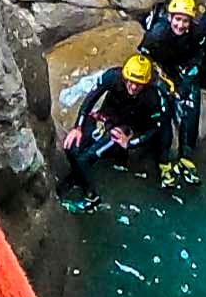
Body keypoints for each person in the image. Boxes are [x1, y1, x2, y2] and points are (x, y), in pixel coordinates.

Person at [58, 52, 179, 195]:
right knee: (73, 147)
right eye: (131, 81)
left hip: (127, 128)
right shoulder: (113, 76)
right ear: (125, 76)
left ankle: (91, 196)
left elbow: (156, 127)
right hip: (107, 116)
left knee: (87, 157)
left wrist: (130, 143)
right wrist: (78, 127)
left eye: (138, 84)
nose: (133, 87)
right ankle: (76, 179)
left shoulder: (154, 95)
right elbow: (91, 98)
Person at [135, 0, 206, 184]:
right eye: (178, 20)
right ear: (170, 18)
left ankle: (186, 155)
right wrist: (164, 82)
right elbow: (146, 58)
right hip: (162, 69)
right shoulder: (158, 34)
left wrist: (190, 73)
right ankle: (163, 160)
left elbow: (201, 54)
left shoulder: (197, 33)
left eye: (185, 21)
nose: (181, 25)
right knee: (164, 109)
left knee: (191, 105)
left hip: (183, 68)